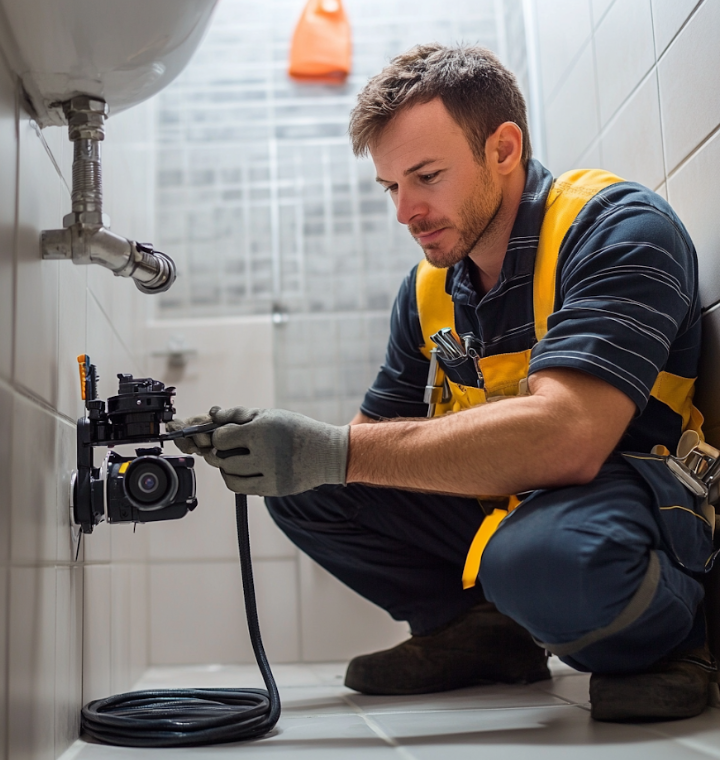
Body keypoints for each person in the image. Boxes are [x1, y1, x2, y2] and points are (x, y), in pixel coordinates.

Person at [169, 44, 718, 723]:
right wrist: (278, 448)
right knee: (310, 493)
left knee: (540, 558)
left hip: (632, 493)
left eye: (426, 176)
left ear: (503, 148)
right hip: (521, 501)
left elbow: (569, 436)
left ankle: (676, 640)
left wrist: (333, 450)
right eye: (391, 187)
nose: (405, 210)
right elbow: (370, 446)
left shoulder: (616, 229)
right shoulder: (431, 289)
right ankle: (481, 635)